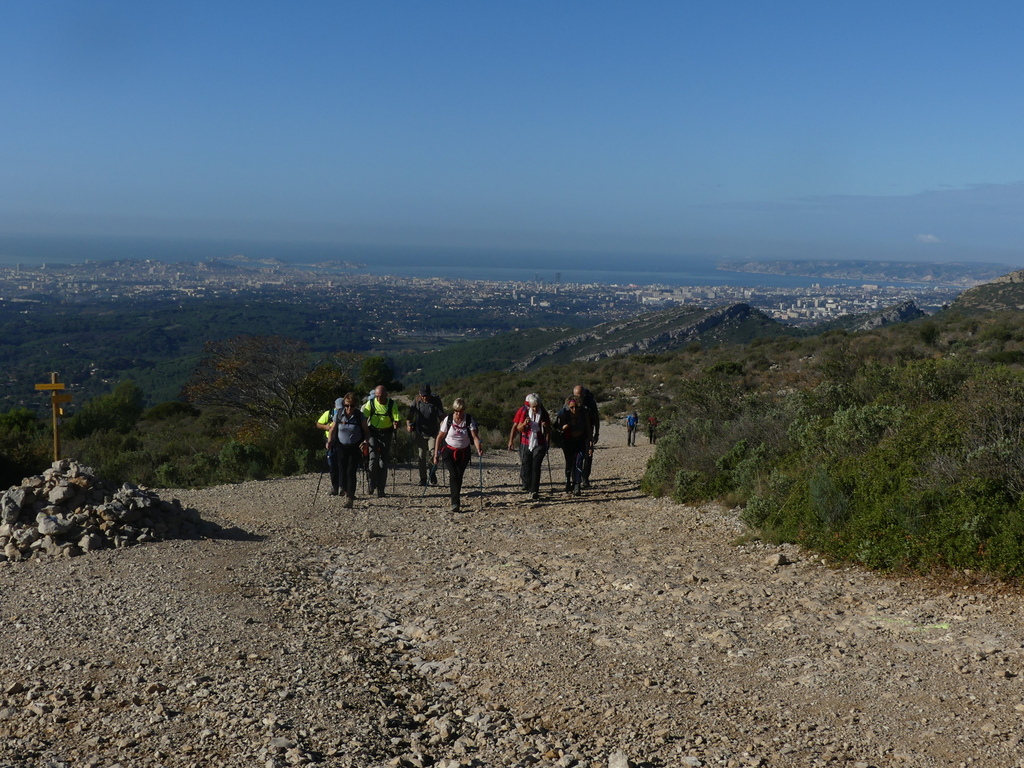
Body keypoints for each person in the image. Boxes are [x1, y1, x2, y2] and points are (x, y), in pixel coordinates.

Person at [316, 393, 369, 508]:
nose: (349, 408)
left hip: (355, 447)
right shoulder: (339, 414)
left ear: (356, 405)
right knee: (342, 469)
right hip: (341, 446)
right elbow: (332, 430)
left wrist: (365, 442)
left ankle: (350, 496)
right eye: (347, 405)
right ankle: (344, 489)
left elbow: (366, 431)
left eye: (352, 405)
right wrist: (329, 441)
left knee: (351, 471)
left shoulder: (360, 416)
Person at [433, 398, 483, 513]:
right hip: (448, 451)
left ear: (464, 410)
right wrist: (436, 454)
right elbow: (439, 437)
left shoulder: (469, 420)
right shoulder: (448, 420)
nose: (458, 414)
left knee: (459, 475)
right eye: (456, 411)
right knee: (453, 473)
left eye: (460, 411)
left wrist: (479, 448)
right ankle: (455, 502)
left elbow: (475, 437)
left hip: (464, 452)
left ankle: (456, 497)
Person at [507, 393, 550, 500]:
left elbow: (549, 430)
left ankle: (534, 490)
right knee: (526, 464)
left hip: (539, 443)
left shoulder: (544, 414)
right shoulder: (525, 412)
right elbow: (519, 428)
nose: (535, 409)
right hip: (526, 443)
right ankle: (528, 484)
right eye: (533, 406)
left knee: (536, 466)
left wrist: (547, 439)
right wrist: (525, 424)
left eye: (536, 406)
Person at [362, 384, 402, 497]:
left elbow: (397, 419)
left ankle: (381, 488)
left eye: (380, 396)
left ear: (386, 395)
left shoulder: (392, 404)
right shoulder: (371, 403)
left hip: (386, 433)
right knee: (373, 458)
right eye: (376, 396)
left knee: (383, 462)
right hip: (373, 433)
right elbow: (364, 418)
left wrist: (396, 423)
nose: (378, 398)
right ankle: (371, 483)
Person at [407, 385, 445, 486]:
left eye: (427, 396)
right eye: (423, 396)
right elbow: (409, 417)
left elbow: (442, 417)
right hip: (420, 433)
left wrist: (443, 429)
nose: (425, 398)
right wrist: (408, 425)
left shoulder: (435, 401)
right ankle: (423, 478)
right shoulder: (416, 402)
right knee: (421, 456)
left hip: (433, 433)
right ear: (420, 394)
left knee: (434, 454)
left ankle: (432, 472)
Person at [553, 396, 592, 496]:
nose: (574, 409)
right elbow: (556, 426)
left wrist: (590, 443)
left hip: (581, 441)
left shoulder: (584, 414)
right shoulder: (563, 414)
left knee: (579, 461)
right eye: (572, 407)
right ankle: (567, 482)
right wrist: (563, 428)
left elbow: (588, 428)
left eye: (576, 407)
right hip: (568, 441)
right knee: (570, 462)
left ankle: (577, 484)